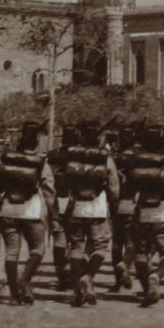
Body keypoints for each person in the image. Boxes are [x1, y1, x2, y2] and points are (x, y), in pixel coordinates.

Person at [120, 124, 164, 306]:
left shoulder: (136, 160)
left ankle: (146, 290)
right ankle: (157, 276)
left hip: (142, 211)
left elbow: (127, 188)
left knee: (141, 252)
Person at [55, 121, 118, 307]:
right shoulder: (105, 158)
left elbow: (62, 182)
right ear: (98, 137)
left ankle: (77, 292)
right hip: (97, 206)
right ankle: (89, 277)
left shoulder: (72, 156)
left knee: (75, 246)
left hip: (75, 206)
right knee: (100, 246)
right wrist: (113, 206)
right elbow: (114, 187)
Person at [0, 120, 54, 306]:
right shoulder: (41, 162)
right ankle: (24, 280)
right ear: (36, 141)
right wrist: (54, 215)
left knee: (11, 253)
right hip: (32, 211)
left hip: (8, 210)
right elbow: (49, 191)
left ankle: (13, 295)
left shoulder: (8, 159)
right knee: (37, 249)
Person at [45, 124, 79, 291]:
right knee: (76, 242)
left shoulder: (53, 155)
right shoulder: (80, 155)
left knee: (59, 240)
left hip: (56, 200)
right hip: (76, 201)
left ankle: (61, 278)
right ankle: (73, 276)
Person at [106, 123, 139, 293]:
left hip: (116, 205)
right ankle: (126, 266)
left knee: (117, 244)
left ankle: (118, 281)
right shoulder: (139, 156)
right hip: (133, 204)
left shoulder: (114, 158)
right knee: (132, 242)